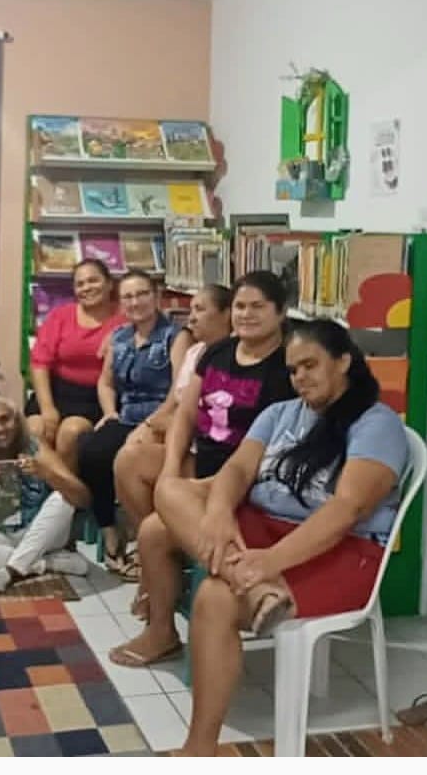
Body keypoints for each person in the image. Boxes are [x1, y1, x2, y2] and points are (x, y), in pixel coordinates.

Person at [153, 320, 410, 756]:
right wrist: (218, 512)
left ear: (343, 361)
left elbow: (347, 511)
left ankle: (199, 749)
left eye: (310, 365)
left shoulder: (376, 424)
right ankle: (256, 590)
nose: (300, 377)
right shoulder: (281, 413)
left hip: (341, 549)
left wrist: (270, 561)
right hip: (264, 525)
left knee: (214, 597)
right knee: (169, 492)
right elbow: (238, 469)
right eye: (293, 370)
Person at [109, 270, 296, 654]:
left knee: (153, 531)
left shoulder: (288, 366)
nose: (246, 315)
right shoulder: (217, 352)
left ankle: (162, 625)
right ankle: (175, 556)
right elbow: (185, 415)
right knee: (130, 460)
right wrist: (170, 469)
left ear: (280, 312)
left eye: (258, 307)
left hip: (247, 478)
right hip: (203, 464)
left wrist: (179, 487)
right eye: (240, 306)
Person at [76, 271, 191, 576]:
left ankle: (149, 539)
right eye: (127, 297)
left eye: (142, 294)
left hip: (162, 418)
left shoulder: (176, 336)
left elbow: (179, 389)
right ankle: (109, 530)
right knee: (90, 451)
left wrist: (153, 422)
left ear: (156, 296)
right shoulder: (119, 337)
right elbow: (105, 382)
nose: (135, 302)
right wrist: (109, 412)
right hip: (126, 415)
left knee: (128, 459)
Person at [113, 284, 233, 531]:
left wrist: (166, 428)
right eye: (192, 310)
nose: (192, 318)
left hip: (213, 455)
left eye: (200, 310)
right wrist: (149, 426)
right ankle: (154, 535)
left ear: (226, 314)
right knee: (126, 458)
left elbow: (199, 416)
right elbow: (176, 402)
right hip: (184, 444)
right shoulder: (195, 352)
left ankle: (162, 535)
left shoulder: (232, 358)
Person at [0, 395, 92, 598]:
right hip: (1, 535)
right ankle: (46, 563)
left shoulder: (35, 447)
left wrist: (46, 473)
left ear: (16, 420)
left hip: (43, 532)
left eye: (5, 419)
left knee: (62, 498)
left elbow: (83, 498)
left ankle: (5, 575)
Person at [26, 258, 125, 470]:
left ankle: (67, 489)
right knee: (34, 429)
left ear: (109, 284)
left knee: (69, 433)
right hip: (56, 392)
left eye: (93, 281)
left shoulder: (124, 320)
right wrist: (48, 408)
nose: (86, 288)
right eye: (80, 284)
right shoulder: (61, 316)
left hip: (96, 398)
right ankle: (45, 488)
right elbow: (39, 362)